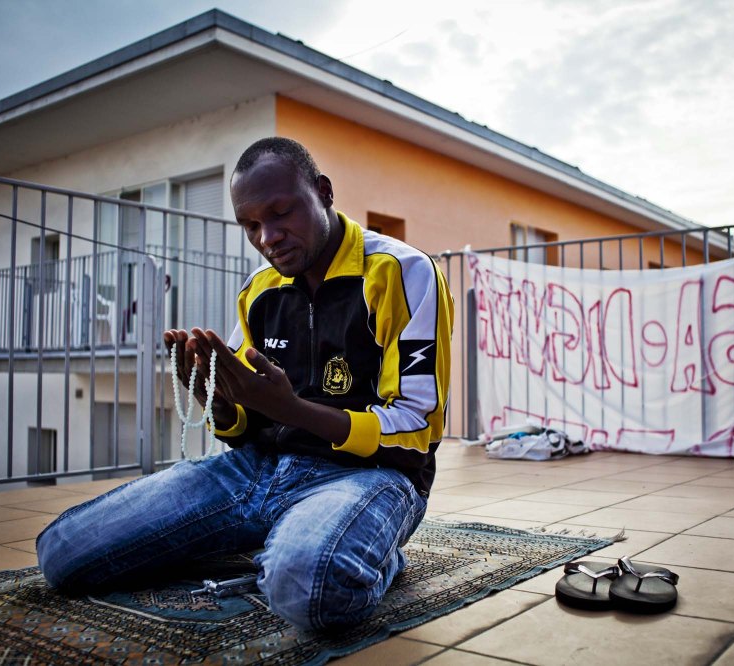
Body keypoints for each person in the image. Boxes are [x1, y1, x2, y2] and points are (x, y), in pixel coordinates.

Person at [36, 137, 454, 631]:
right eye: (251, 225)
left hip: (369, 476)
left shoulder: (403, 272)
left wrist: (292, 410)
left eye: (281, 213)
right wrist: (215, 399)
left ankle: (359, 549)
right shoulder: (259, 290)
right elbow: (242, 427)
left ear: (323, 192)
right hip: (258, 469)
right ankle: (295, 534)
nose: (267, 237)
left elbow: (416, 428)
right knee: (62, 554)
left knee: (308, 588)